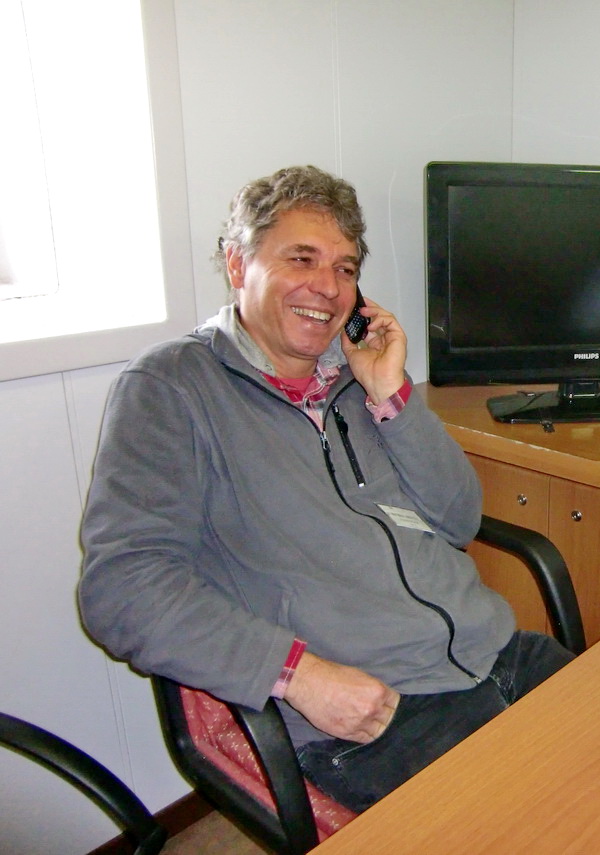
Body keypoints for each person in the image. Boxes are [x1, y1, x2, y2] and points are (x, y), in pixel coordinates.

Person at [78, 165, 574, 812]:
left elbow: (459, 517)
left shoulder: (354, 375)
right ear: (237, 264)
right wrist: (299, 674)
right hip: (379, 710)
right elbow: (120, 588)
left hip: (490, 648)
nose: (328, 287)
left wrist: (391, 393)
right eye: (301, 258)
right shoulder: (170, 389)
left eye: (345, 267)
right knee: (560, 818)